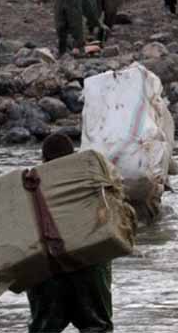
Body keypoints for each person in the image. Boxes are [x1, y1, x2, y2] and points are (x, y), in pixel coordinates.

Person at [26, 133, 113, 333]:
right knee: (97, 327)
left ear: (44, 160)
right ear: (73, 156)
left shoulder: (29, 185)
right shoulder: (90, 177)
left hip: (46, 270)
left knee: (44, 329)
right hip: (90, 266)